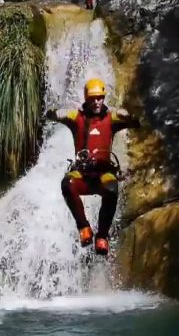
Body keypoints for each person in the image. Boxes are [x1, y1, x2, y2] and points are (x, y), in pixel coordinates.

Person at [45, 78, 140, 255]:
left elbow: (137, 122)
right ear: (87, 99)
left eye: (100, 98)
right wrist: (55, 113)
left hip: (103, 174)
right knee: (67, 184)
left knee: (112, 189)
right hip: (82, 174)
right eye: (93, 98)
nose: (96, 102)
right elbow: (51, 114)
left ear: (104, 98)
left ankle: (102, 237)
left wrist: (129, 115)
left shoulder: (112, 118)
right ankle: (84, 228)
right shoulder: (77, 117)